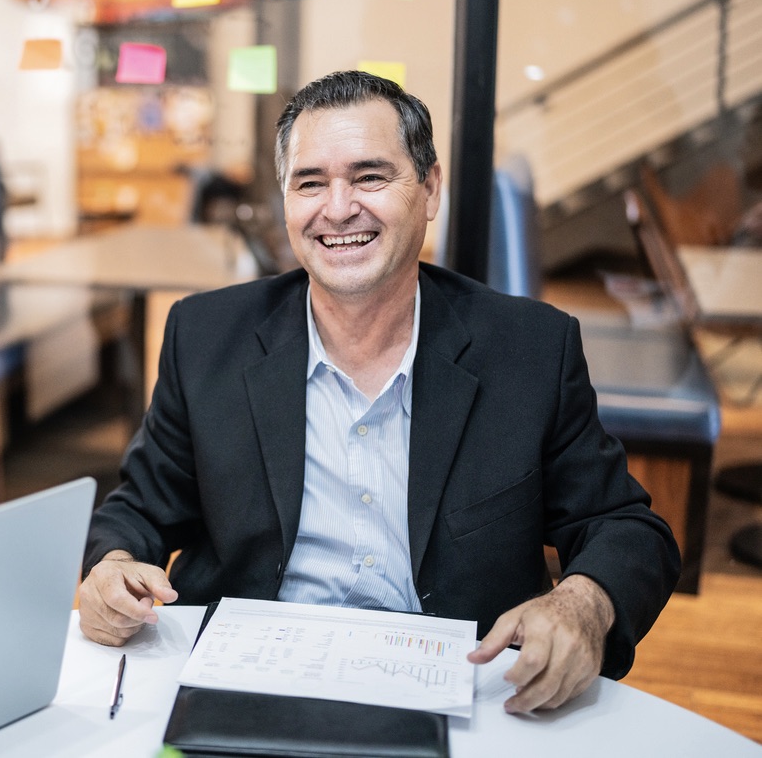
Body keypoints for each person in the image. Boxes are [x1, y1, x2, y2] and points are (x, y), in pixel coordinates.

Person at [79, 70, 680, 714]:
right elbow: (139, 508)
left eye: (370, 177)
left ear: (429, 189)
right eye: (310, 182)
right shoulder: (206, 336)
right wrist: (112, 565)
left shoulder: (529, 348)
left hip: (457, 691)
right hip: (249, 682)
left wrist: (582, 600)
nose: (338, 208)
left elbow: (623, 526)